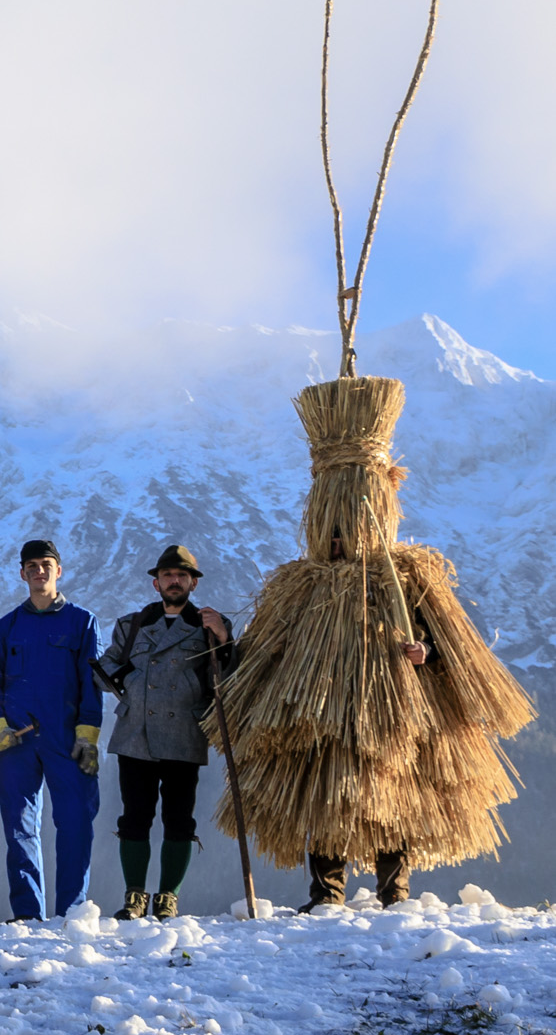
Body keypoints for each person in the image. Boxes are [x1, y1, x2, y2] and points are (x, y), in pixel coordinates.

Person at [216, 375, 533, 909]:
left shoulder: (405, 576)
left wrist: (425, 653)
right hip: (316, 709)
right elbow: (262, 650)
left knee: (394, 794)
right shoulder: (299, 583)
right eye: (332, 529)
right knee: (324, 793)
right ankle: (327, 893)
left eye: (346, 528)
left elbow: (451, 647)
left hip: (392, 708)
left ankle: (395, 892)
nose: (338, 540)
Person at [93, 545, 233, 919]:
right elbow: (104, 669)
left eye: (182, 575)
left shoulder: (210, 625)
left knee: (179, 819)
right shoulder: (131, 624)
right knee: (134, 818)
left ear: (193, 583)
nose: (174, 581)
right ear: (156, 583)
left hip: (184, 732)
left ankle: (168, 896)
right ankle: (134, 897)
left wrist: (224, 639)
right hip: (135, 733)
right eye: (168, 575)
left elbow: (228, 678)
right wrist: (131, 680)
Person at [0, 538, 104, 920]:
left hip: (67, 740)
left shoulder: (82, 622)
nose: (39, 571)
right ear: (22, 573)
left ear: (58, 570)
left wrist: (88, 736)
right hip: (17, 742)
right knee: (18, 828)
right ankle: (27, 914)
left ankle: (72, 912)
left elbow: (92, 683)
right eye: (31, 566)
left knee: (75, 822)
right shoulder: (7, 627)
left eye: (45, 564)